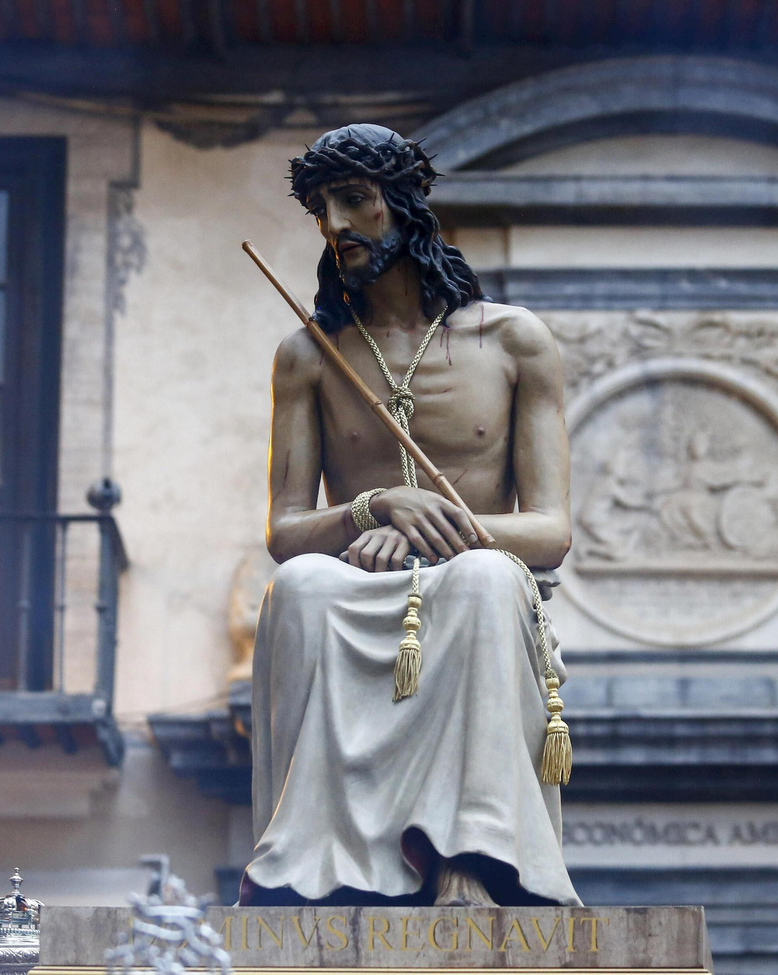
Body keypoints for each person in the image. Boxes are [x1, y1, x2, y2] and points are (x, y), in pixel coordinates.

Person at [242, 123, 579, 908]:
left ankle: (473, 859)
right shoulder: (308, 354)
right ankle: (313, 870)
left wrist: (432, 529)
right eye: (323, 210)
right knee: (297, 591)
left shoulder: (514, 341)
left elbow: (550, 531)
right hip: (358, 583)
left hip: (477, 593)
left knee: (489, 577)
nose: (337, 226)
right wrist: (373, 506)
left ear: (405, 205)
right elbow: (286, 534)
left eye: (355, 201)